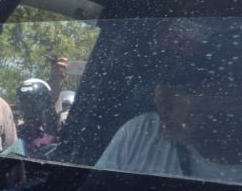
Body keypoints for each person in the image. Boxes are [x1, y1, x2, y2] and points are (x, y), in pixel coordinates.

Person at [96, 31, 242, 183]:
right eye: (161, 85)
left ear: (231, 97)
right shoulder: (140, 133)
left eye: (181, 89)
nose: (161, 105)